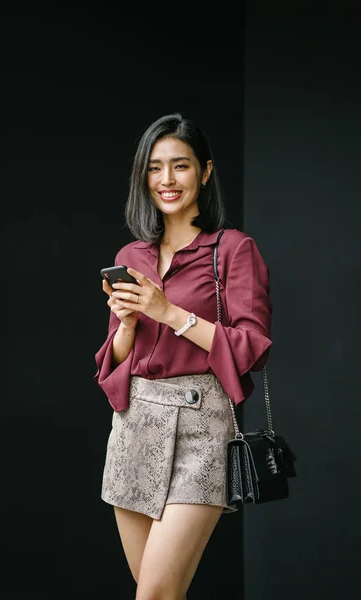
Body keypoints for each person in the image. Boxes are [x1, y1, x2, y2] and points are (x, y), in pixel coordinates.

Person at [94, 112, 272, 600]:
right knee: (160, 593)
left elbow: (252, 348)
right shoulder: (131, 256)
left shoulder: (233, 250)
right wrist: (129, 324)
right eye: (154, 168)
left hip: (201, 425)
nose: (166, 180)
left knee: (153, 593)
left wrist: (168, 312)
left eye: (180, 166)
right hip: (135, 426)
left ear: (206, 172)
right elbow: (115, 361)